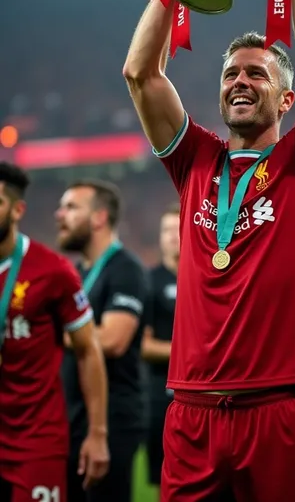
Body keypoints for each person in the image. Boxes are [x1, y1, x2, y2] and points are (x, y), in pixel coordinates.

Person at [123, 0, 295, 502]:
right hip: (190, 410)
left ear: (285, 99)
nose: (240, 82)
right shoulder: (196, 160)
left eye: (257, 75)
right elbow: (141, 73)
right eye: (230, 75)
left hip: (276, 406)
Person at [0, 162, 109, 502]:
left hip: (34, 441)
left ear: (17, 210)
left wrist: (97, 433)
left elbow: (88, 349)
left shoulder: (52, 271)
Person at [56, 178, 147, 502]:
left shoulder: (126, 269)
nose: (59, 215)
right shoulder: (77, 273)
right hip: (75, 418)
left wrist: (48, 332)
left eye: (71, 207)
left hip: (112, 422)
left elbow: (112, 339)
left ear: (99, 217)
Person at [142, 203, 180, 494]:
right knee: (163, 479)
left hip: (205, 390)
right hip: (159, 392)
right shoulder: (148, 281)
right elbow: (144, 345)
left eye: (176, 229)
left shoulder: (209, 276)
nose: (171, 236)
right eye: (165, 230)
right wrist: (192, 352)